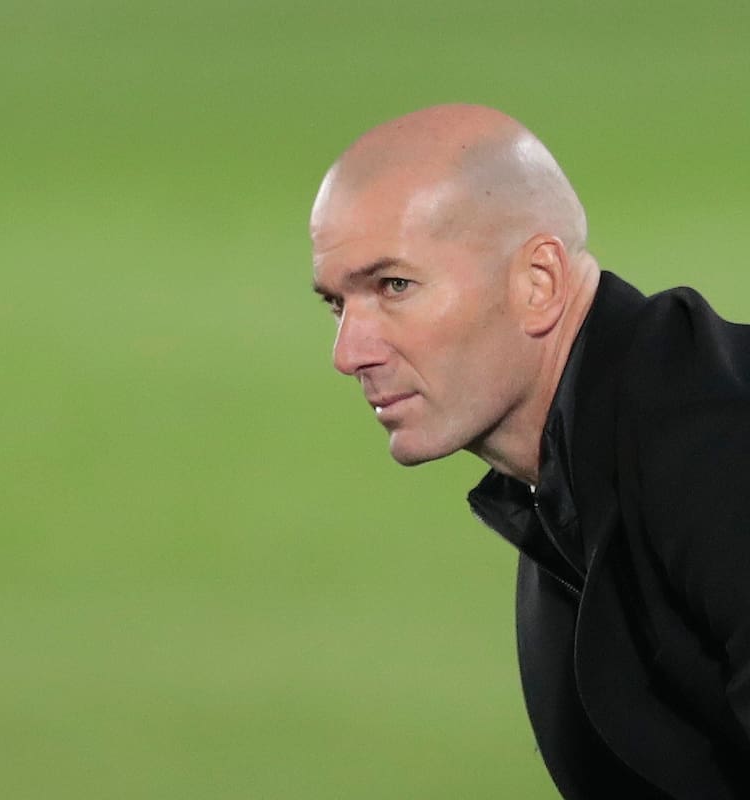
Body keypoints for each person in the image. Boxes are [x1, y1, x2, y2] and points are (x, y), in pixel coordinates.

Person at [309, 104, 750, 798]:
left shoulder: (718, 449)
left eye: (394, 286)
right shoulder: (560, 499)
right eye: (337, 304)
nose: (349, 353)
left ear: (538, 282)